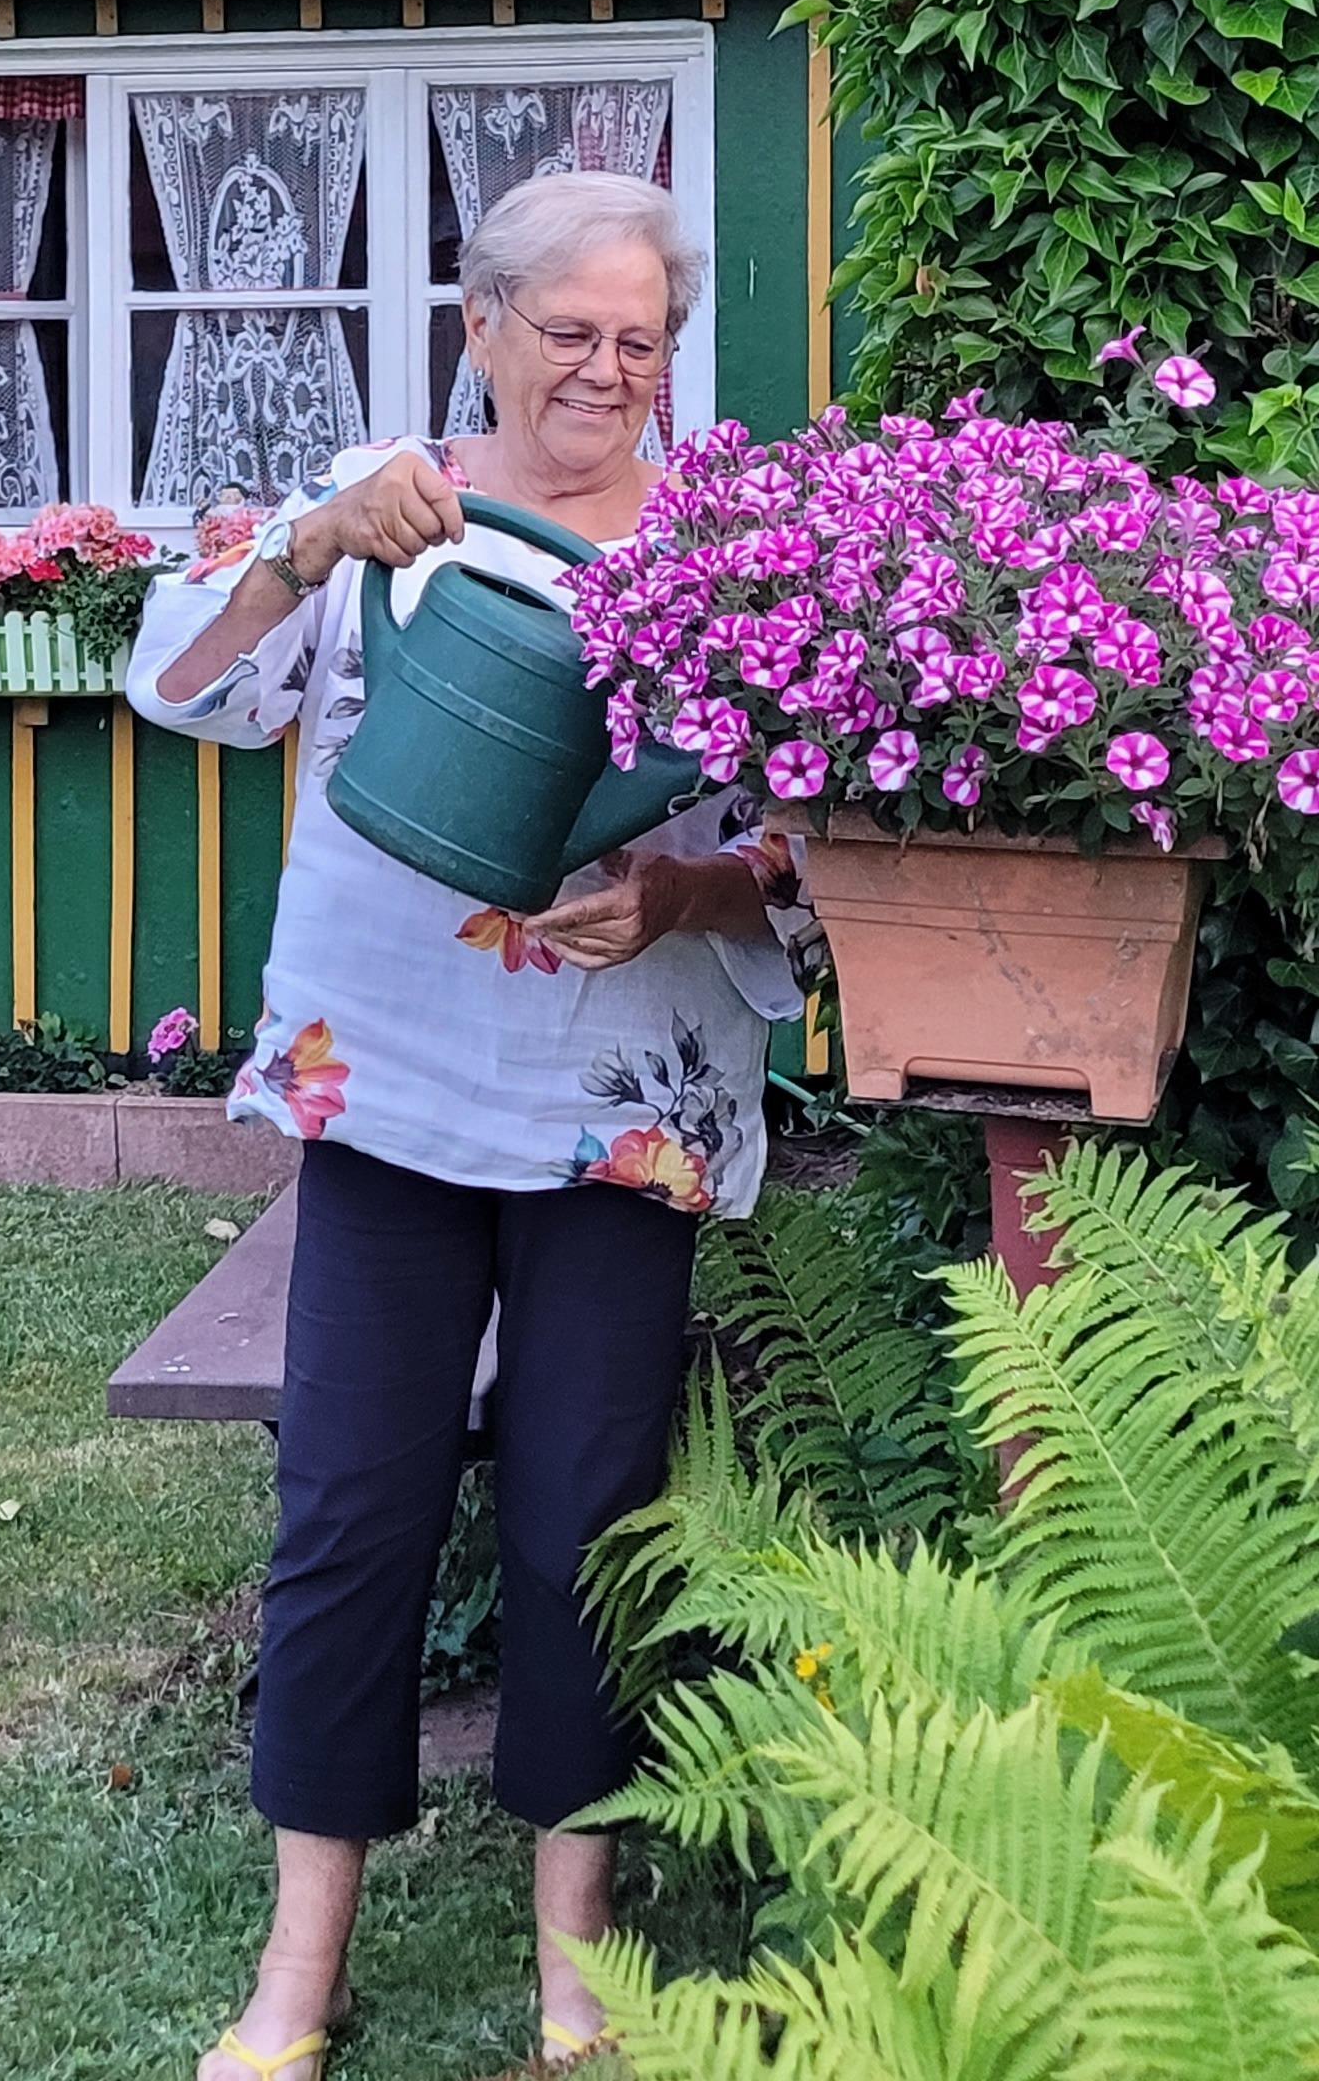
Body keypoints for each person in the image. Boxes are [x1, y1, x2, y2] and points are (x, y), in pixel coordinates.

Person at [131, 168, 818, 2080]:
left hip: (625, 1104)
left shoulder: (735, 550)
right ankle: (297, 1973)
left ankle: (576, 1969)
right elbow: (179, 684)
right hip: (392, 1086)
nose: (605, 369)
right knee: (349, 1506)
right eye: (570, 330)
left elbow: (832, 842)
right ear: (482, 325)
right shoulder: (389, 501)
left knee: (588, 1524)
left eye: (642, 339)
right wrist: (308, 545)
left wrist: (687, 895)